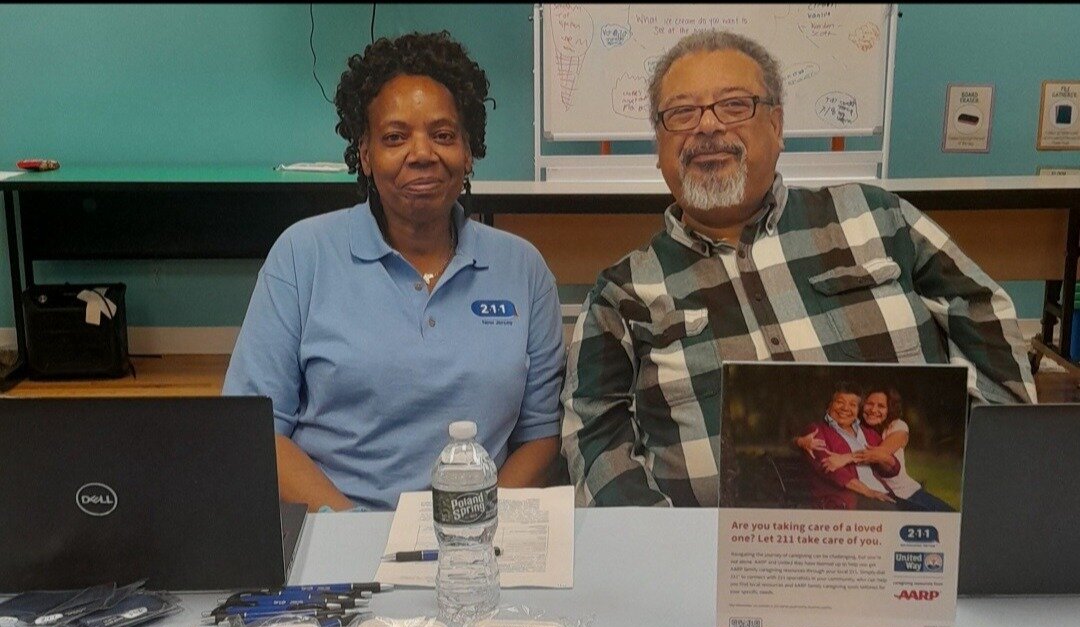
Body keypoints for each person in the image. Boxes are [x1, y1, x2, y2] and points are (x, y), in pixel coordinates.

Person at [560, 29, 1037, 508]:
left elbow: (981, 312)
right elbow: (593, 430)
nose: (706, 127)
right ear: (659, 146)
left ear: (777, 124)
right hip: (712, 565)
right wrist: (662, 545)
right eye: (682, 113)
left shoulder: (875, 217)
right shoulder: (622, 292)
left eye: (733, 105)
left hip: (908, 548)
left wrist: (991, 476)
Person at [224, 31, 564, 512]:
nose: (421, 153)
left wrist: (470, 527)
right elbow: (253, 430)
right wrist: (357, 533)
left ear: (469, 152)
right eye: (394, 137)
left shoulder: (523, 269)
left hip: (477, 536)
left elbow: (540, 436)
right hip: (334, 531)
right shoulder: (302, 256)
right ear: (364, 154)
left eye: (443, 135)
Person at [797, 383, 900, 511]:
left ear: (858, 410)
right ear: (829, 405)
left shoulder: (869, 434)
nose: (846, 408)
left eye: (852, 404)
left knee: (916, 509)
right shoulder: (816, 431)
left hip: (881, 493)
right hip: (846, 501)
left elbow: (893, 469)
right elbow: (832, 470)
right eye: (840, 402)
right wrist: (869, 492)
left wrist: (883, 458)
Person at [855, 387, 955, 511]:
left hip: (908, 492)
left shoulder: (898, 426)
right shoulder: (856, 428)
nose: (873, 410)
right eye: (869, 404)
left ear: (889, 410)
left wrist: (844, 456)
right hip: (881, 498)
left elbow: (880, 454)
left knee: (951, 518)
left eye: (881, 406)